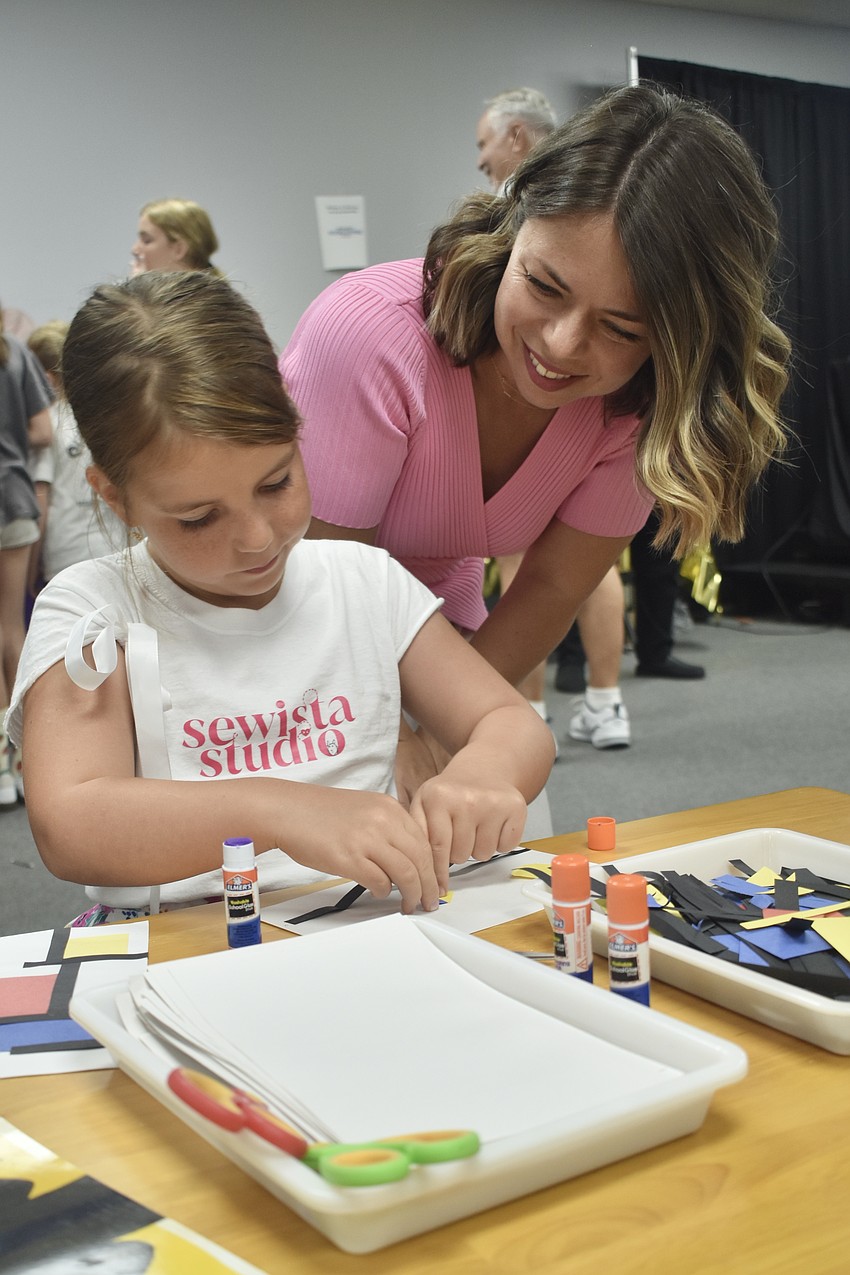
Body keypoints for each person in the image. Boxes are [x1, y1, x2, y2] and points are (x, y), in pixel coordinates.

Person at [282, 83, 790, 789]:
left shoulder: (638, 404)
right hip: (278, 641)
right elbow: (323, 586)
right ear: (514, 222)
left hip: (440, 630)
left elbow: (552, 587)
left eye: (621, 329)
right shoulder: (370, 336)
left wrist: (452, 738)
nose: (560, 345)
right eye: (545, 286)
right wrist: (392, 742)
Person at [7, 271, 554, 925]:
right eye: (200, 518)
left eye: (277, 482)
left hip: (370, 923)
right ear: (114, 495)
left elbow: (511, 722)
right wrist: (276, 810)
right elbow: (70, 823)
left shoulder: (363, 581)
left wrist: (486, 770)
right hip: (185, 939)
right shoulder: (93, 608)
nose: (257, 538)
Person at [0, 310, 53, 807]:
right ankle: (30, 759)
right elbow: (43, 430)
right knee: (12, 630)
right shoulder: (13, 351)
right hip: (12, 500)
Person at [27, 321, 123, 583]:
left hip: (66, 555)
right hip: (119, 550)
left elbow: (41, 498)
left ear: (45, 379)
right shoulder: (109, 417)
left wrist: (30, 566)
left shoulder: (47, 424)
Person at [476, 87, 557, 193]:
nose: (480, 163)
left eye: (483, 145)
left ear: (516, 137)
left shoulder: (520, 203)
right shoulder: (576, 190)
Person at [130, 198, 221, 275]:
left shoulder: (206, 296)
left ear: (179, 249)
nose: (135, 249)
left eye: (146, 240)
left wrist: (138, 289)